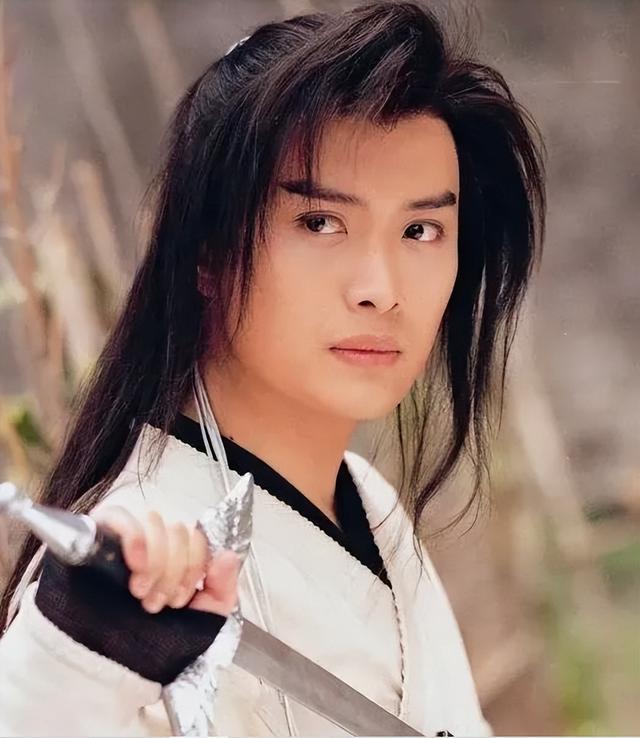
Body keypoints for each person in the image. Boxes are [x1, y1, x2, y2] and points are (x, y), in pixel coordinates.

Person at [0, 1, 546, 735]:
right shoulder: (127, 584)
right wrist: (71, 657)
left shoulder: (372, 505)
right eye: (320, 222)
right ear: (207, 250)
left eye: (421, 229)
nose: (381, 289)